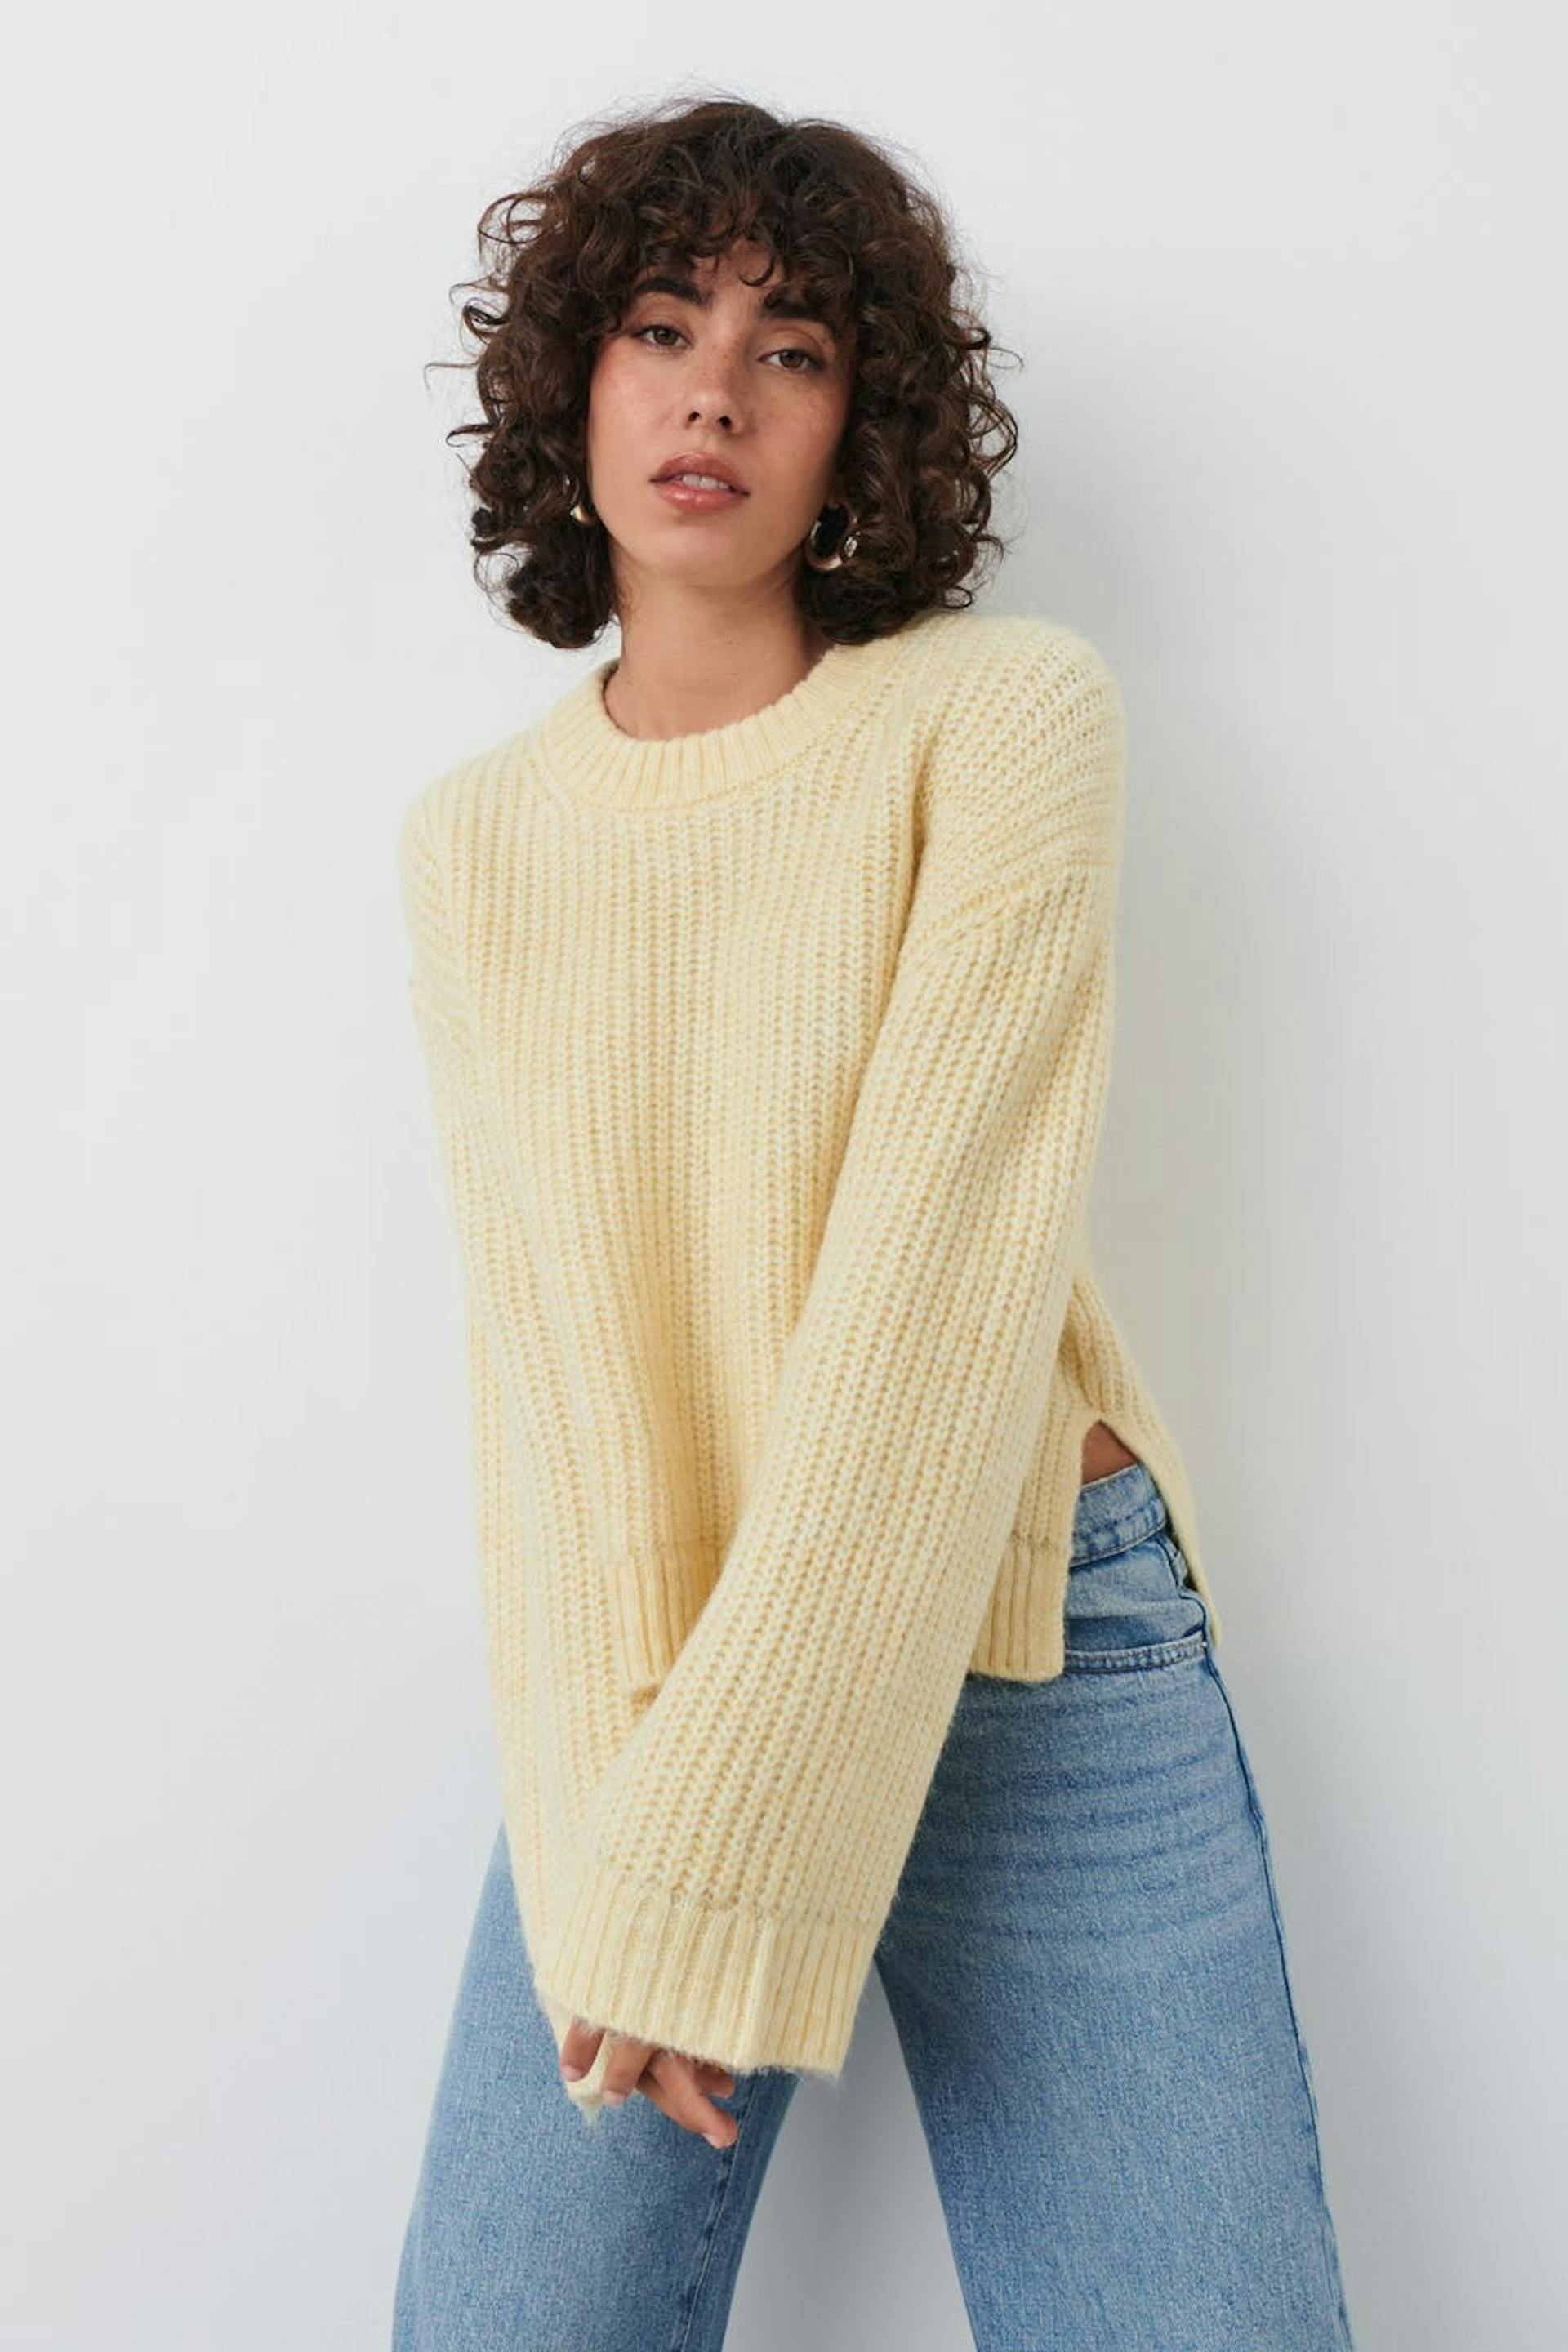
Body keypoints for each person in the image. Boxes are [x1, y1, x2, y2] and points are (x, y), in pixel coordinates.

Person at [391, 93, 1356, 2352]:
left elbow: (937, 1293)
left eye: (794, 348)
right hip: (652, 1662)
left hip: (1028, 1649)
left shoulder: (1001, 720)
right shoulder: (476, 845)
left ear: (862, 430)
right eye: (660, 326)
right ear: (573, 391)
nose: (716, 390)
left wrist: (725, 1847)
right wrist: (635, 1824)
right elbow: (554, 1393)